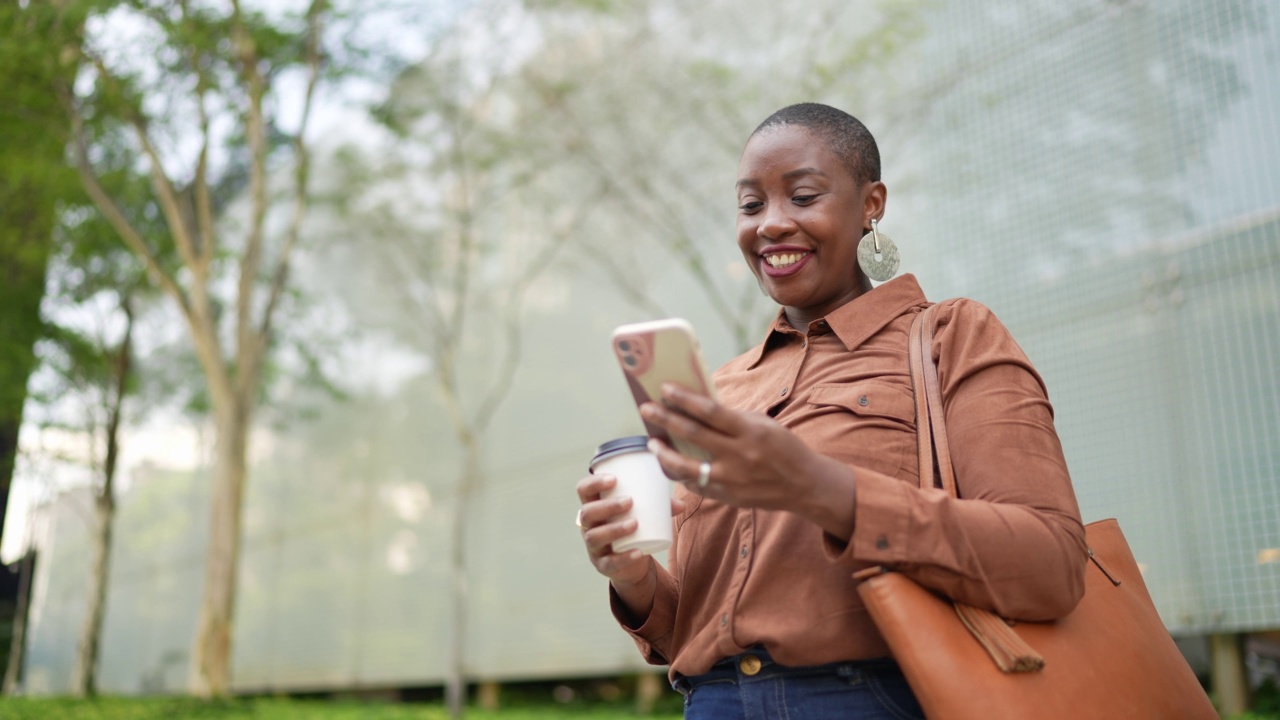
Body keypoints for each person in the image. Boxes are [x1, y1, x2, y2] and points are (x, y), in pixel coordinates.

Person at [575, 102, 1087, 719]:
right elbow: (693, 621)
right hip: (712, 703)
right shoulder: (723, 389)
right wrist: (632, 577)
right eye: (750, 205)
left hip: (871, 698)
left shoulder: (952, 336)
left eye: (804, 195)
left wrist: (821, 488)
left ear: (872, 203)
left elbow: (1051, 565)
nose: (771, 224)